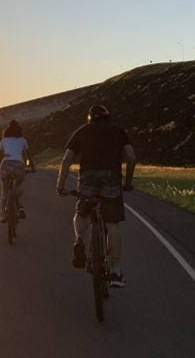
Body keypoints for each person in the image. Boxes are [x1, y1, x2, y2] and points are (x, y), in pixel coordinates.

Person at [56, 104, 136, 288]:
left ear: (90, 118)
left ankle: (79, 241)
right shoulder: (118, 131)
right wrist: (128, 182)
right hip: (111, 179)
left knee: (82, 213)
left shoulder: (82, 131)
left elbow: (67, 159)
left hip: (88, 179)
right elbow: (131, 157)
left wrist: (60, 185)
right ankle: (115, 271)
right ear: (108, 117)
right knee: (112, 223)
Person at [0, 120, 35, 223]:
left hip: (5, 164)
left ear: (6, 130)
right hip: (19, 165)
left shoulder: (4, 141)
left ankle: (3, 215)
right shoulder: (22, 140)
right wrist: (33, 167)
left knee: (5, 190)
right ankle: (20, 208)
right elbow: (28, 156)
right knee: (18, 186)